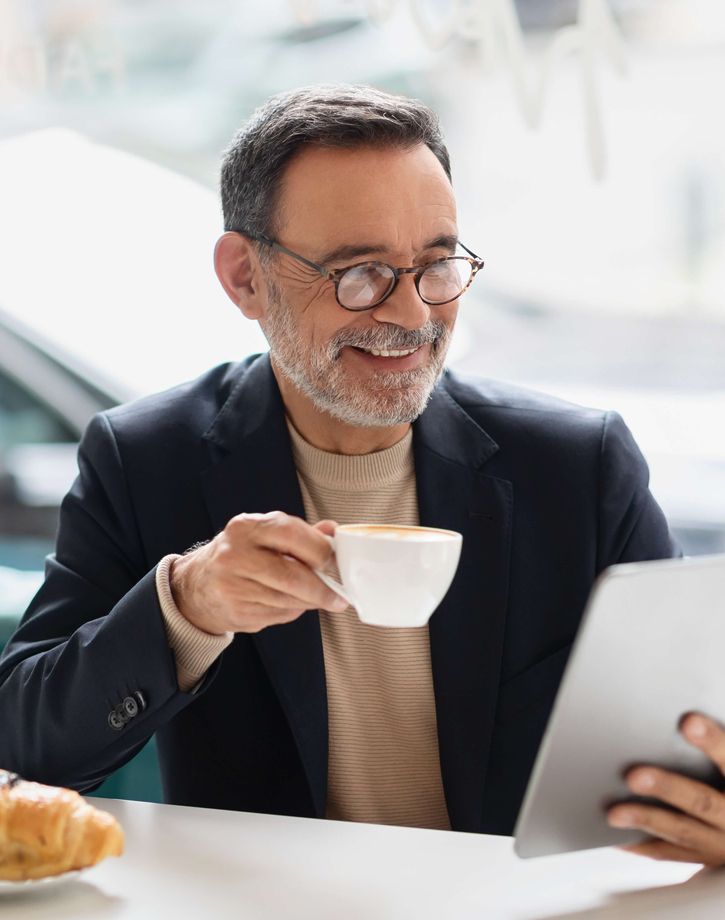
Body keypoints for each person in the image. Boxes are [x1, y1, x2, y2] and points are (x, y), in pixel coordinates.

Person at [1, 84, 723, 865]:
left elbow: (691, 729)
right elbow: (26, 753)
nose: (412, 316)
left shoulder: (575, 466)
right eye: (360, 275)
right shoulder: (144, 459)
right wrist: (187, 607)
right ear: (245, 276)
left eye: (438, 265)